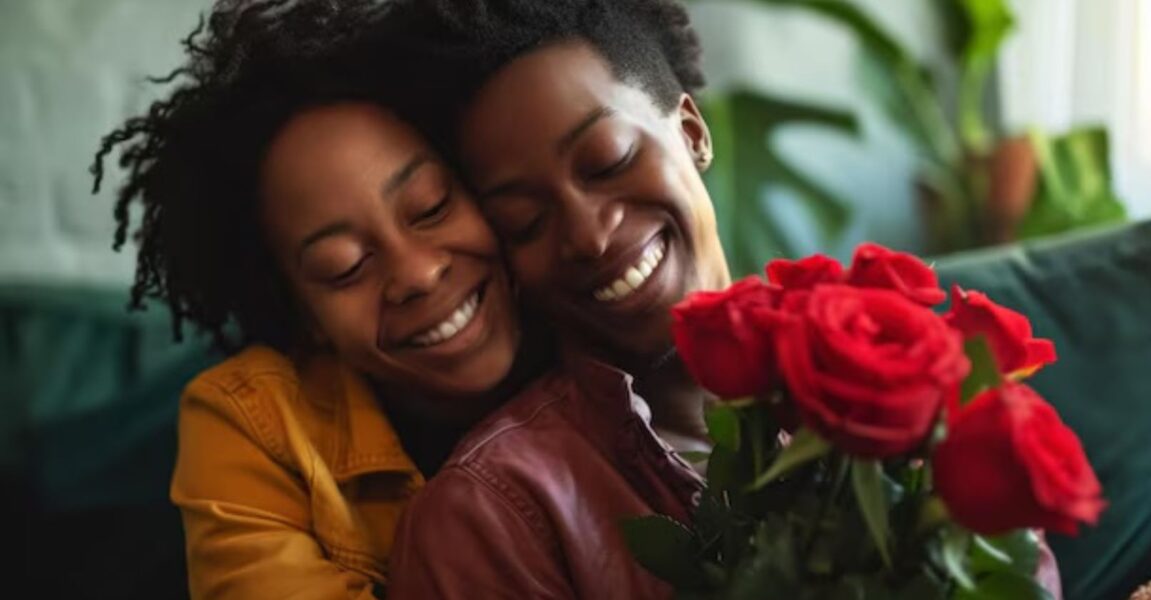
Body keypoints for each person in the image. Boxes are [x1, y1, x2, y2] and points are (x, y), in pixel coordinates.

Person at [373, 0, 1064, 598]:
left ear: (693, 132)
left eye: (609, 161)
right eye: (525, 221)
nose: (586, 234)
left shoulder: (900, 381)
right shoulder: (494, 515)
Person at [91, 1, 545, 597]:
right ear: (302, 314)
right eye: (345, 267)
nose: (417, 273)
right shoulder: (248, 425)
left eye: (432, 207)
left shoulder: (590, 309)